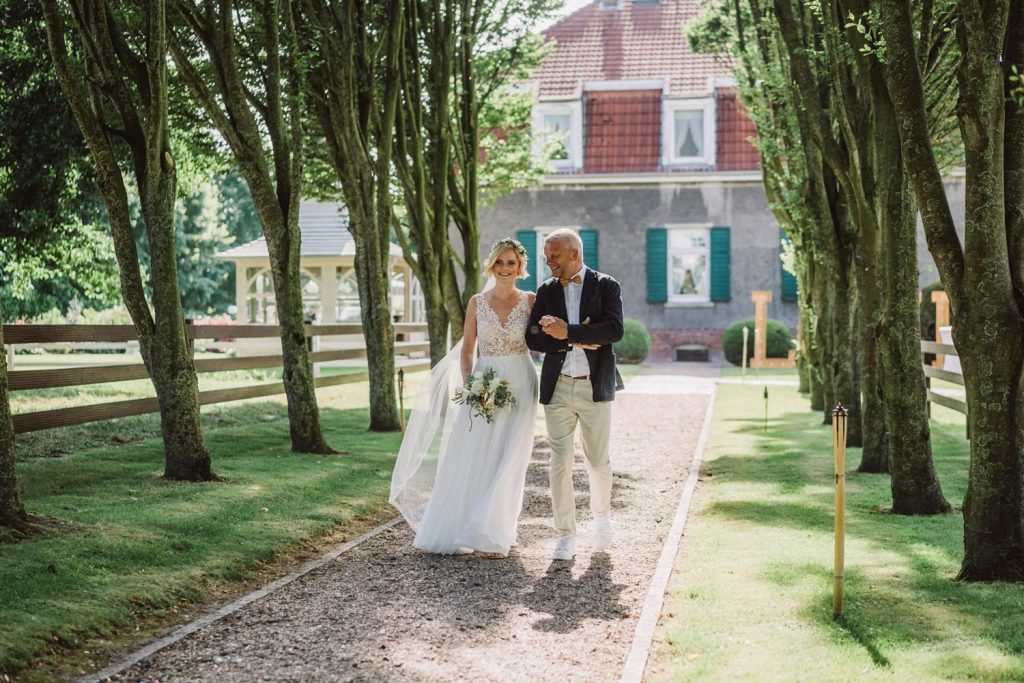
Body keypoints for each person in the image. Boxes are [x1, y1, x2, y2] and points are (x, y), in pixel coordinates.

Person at [390, 238, 539, 558]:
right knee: (476, 453)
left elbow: (544, 340)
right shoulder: (477, 302)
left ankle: (494, 533)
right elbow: (468, 350)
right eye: (499, 262)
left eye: (511, 263)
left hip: (522, 381)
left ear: (520, 267)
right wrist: (474, 385)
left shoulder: (530, 300)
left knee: (511, 456)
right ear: (492, 265)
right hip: (486, 379)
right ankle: (462, 526)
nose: (504, 268)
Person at [525, 229, 624, 561]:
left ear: (574, 254)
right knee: (559, 461)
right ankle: (565, 534)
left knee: (597, 461)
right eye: (547, 256)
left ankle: (601, 518)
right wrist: (579, 337)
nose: (549, 262)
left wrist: (567, 331)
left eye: (554, 256)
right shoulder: (546, 290)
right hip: (557, 386)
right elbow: (533, 337)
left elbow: (614, 330)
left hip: (594, 386)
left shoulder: (607, 286)